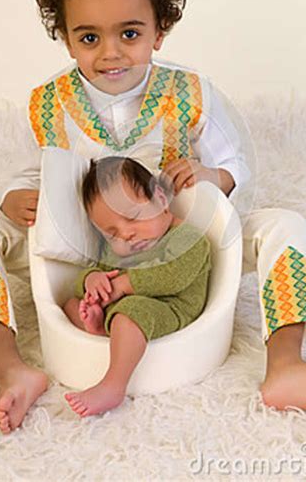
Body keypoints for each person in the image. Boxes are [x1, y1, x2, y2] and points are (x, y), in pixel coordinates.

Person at [0, 0, 306, 435]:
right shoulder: (48, 102)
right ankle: (9, 365)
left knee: (286, 226)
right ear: (66, 36)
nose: (111, 53)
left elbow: (237, 164)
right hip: (86, 244)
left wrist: (213, 175)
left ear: (158, 30)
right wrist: (15, 198)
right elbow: (29, 170)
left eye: (130, 33)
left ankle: (286, 362)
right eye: (89, 37)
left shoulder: (188, 92)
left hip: (178, 241)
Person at [62, 156, 211, 417]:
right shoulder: (117, 250)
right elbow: (100, 275)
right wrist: (92, 280)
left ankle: (113, 384)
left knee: (130, 310)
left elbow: (173, 276)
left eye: (132, 217)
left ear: (161, 200)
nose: (126, 235)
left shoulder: (188, 238)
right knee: (71, 303)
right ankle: (100, 329)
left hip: (171, 308)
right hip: (127, 309)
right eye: (111, 233)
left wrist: (123, 285)